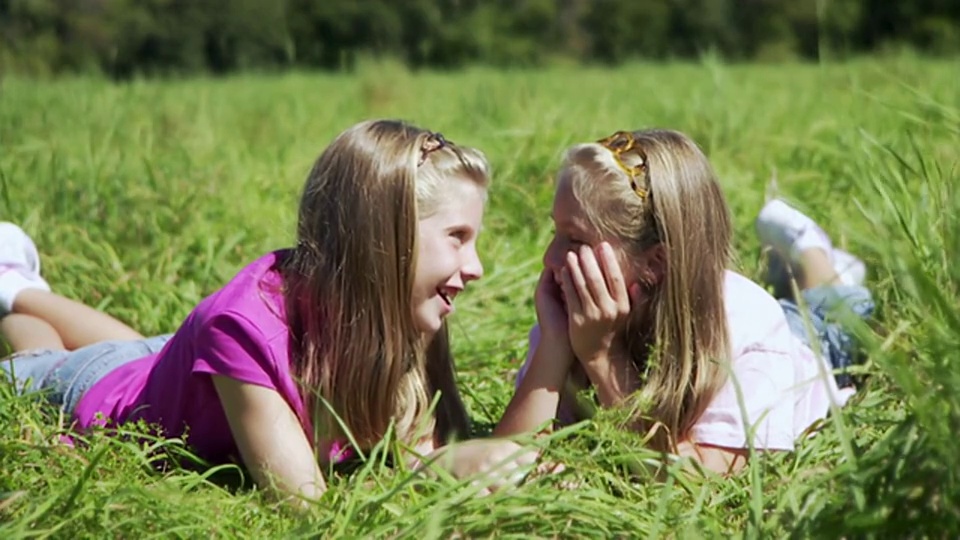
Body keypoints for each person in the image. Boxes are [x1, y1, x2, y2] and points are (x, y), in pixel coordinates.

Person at [0, 119, 529, 501]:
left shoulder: (401, 306)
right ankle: (13, 292)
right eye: (457, 237)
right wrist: (452, 468)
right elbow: (302, 502)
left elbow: (414, 451)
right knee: (39, 358)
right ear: (383, 245)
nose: (476, 266)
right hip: (97, 392)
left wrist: (484, 460)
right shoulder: (241, 326)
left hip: (167, 364)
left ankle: (19, 286)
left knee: (130, 348)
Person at [494, 129, 874, 474]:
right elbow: (503, 460)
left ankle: (812, 253)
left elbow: (695, 484)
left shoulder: (749, 329)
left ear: (656, 262)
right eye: (554, 231)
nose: (549, 257)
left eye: (575, 240)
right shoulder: (577, 317)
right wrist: (554, 343)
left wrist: (603, 356)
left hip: (806, 349)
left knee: (838, 304)